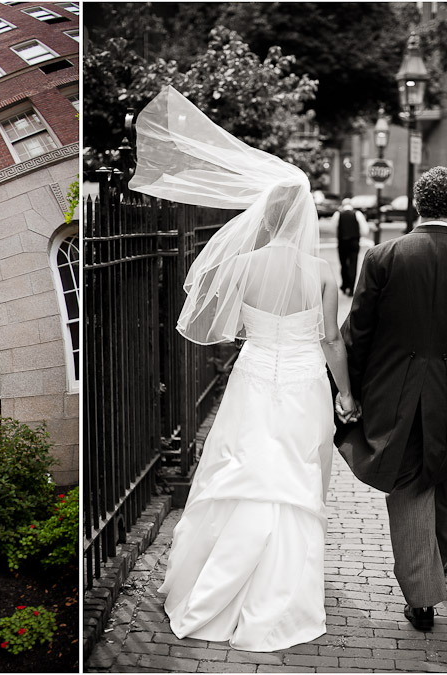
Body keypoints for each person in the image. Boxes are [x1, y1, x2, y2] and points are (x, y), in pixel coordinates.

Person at [128, 86, 358, 651]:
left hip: (255, 374)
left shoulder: (246, 264)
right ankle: (281, 595)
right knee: (295, 478)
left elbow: (226, 327)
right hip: (303, 377)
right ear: (301, 215)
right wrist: (346, 393)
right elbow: (330, 339)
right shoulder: (322, 273)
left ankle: (213, 586)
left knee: (241, 471)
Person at [339, 166, 447, 632]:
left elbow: (358, 334)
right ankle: (441, 559)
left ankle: (422, 596)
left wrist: (348, 394)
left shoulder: (382, 256)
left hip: (396, 393)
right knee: (445, 472)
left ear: (417, 203)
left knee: (412, 484)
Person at [330, 198, 371, 295]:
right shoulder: (357, 214)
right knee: (353, 263)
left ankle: (344, 285)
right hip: (354, 241)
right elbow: (364, 229)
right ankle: (351, 288)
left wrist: (339, 234)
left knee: (343, 263)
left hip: (342, 241)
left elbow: (332, 228)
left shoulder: (338, 214)